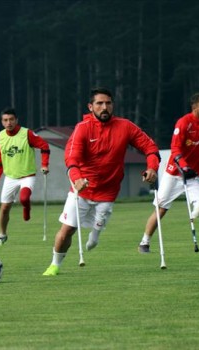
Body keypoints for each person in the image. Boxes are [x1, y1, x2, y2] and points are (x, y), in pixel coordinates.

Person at [42, 87, 160, 276]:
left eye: (108, 103)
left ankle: (95, 236)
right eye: (99, 103)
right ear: (91, 107)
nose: (104, 107)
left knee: (98, 226)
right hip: (82, 189)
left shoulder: (125, 126)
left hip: (109, 190)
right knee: (67, 230)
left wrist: (152, 167)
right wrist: (76, 178)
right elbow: (71, 158)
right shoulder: (82, 128)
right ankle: (55, 264)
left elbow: (150, 146)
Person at [137, 92, 199, 253]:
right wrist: (184, 167)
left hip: (192, 176)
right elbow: (175, 150)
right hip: (174, 173)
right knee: (161, 208)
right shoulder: (184, 123)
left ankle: (191, 216)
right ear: (195, 107)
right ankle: (144, 242)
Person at [0, 107, 50, 247]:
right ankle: (2, 235)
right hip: (10, 177)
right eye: (5, 120)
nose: (9, 123)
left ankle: (26, 208)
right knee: (4, 208)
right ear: (2, 122)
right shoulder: (0, 136)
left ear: (16, 120)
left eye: (11, 119)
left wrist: (44, 165)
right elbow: (0, 159)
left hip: (27, 175)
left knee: (24, 198)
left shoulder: (27, 133)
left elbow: (44, 146)